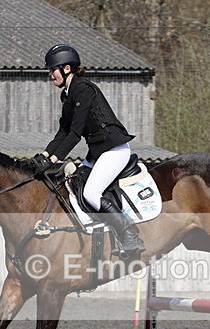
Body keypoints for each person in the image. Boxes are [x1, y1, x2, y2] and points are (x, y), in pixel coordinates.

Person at [29, 44, 145, 259]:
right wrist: (44, 155)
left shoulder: (83, 89)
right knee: (74, 183)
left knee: (92, 193)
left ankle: (130, 236)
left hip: (114, 150)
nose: (49, 74)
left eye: (52, 69)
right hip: (98, 153)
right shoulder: (69, 94)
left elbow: (75, 133)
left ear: (66, 68)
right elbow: (63, 132)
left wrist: (55, 158)